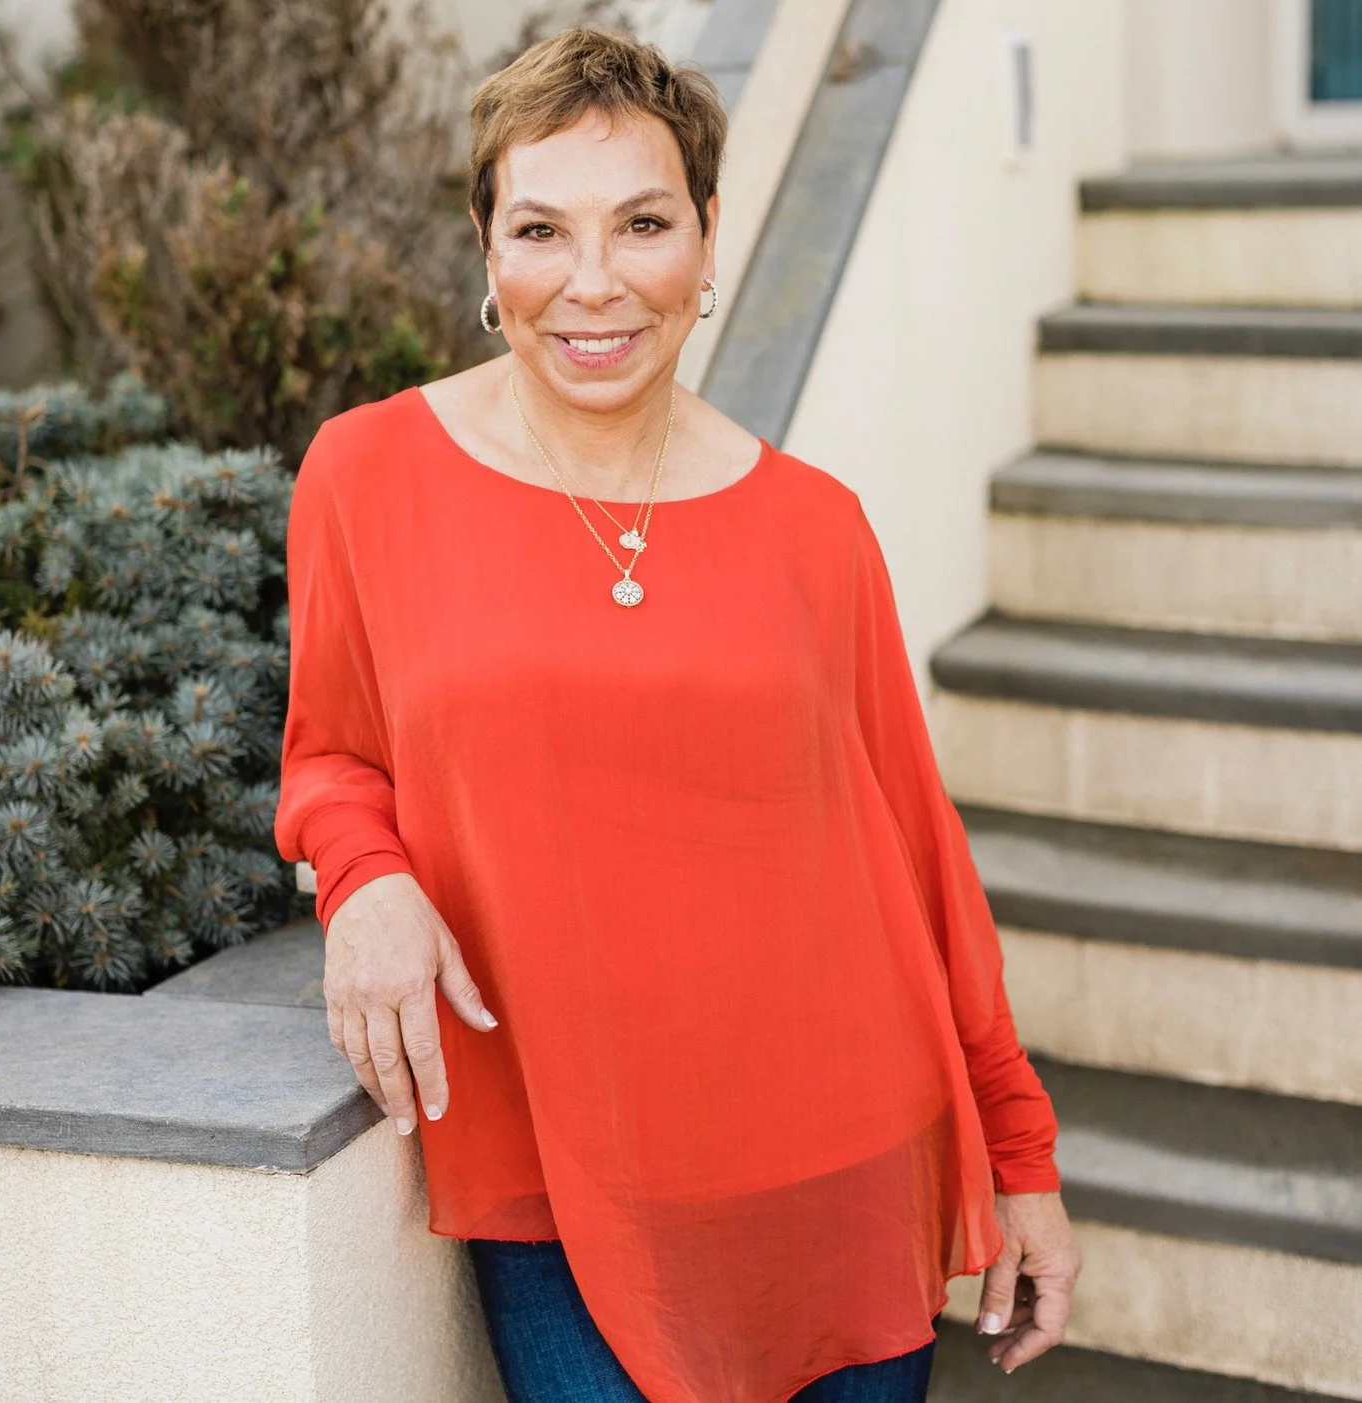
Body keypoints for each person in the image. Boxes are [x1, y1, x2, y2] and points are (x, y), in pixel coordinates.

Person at [273, 24, 1080, 1403]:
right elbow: (334, 754)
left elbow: (917, 853)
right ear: (487, 248)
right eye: (542, 228)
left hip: (842, 1162)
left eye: (643, 224)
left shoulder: (815, 525)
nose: (592, 282)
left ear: (708, 240)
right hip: (559, 1173)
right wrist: (367, 882)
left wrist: (1021, 1157)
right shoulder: (367, 474)